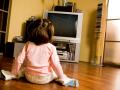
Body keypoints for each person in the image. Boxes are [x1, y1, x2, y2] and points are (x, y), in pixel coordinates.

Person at [0, 19, 79, 87]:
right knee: (55, 73)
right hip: (45, 79)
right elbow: (55, 64)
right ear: (50, 34)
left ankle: (10, 75)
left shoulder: (28, 44)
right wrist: (61, 76)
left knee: (22, 70)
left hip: (29, 77)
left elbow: (18, 60)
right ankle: (64, 80)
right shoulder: (51, 47)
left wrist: (14, 73)